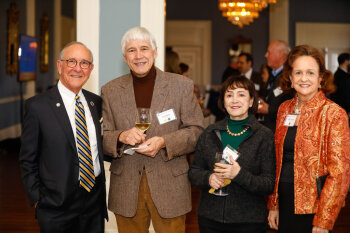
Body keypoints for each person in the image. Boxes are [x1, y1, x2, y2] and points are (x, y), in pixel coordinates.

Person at [101, 26, 204, 233]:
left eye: (144, 48)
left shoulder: (181, 86)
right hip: (126, 186)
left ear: (155, 53)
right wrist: (121, 136)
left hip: (170, 184)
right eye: (131, 50)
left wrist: (165, 142)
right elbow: (101, 136)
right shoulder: (110, 90)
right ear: (124, 57)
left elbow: (197, 130)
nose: (138, 55)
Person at [19, 41, 108, 233]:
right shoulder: (37, 107)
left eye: (84, 63)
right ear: (60, 66)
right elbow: (27, 159)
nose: (78, 68)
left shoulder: (96, 103)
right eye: (71, 61)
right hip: (55, 206)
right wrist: (37, 199)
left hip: (93, 203)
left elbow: (99, 145)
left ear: (91, 69)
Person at [267, 45, 350, 233]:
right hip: (284, 201)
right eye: (298, 72)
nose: (304, 78)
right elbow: (277, 162)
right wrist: (274, 203)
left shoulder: (334, 114)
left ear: (321, 78)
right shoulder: (284, 109)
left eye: (310, 73)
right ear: (290, 77)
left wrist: (324, 220)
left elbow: (340, 174)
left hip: (315, 207)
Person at [189, 76, 276, 233]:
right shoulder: (209, 132)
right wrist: (208, 178)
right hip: (210, 219)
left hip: (249, 221)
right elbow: (194, 171)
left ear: (251, 101)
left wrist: (239, 174)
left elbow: (268, 183)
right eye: (229, 95)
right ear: (223, 101)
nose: (234, 100)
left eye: (241, 94)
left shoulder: (264, 136)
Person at [258, 40, 293, 132]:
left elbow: (292, 107)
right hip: (268, 127)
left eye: (269, 52)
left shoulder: (290, 76)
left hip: (281, 131)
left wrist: (269, 109)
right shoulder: (273, 74)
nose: (266, 55)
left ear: (281, 54)